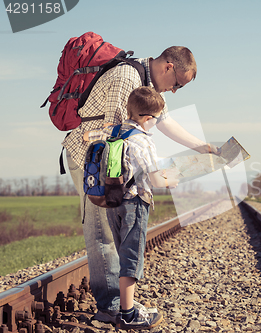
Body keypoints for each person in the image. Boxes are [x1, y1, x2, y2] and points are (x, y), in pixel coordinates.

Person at [63, 46, 216, 323]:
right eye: (178, 84)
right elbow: (112, 132)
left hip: (114, 164)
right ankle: (113, 307)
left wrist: (202, 147)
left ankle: (121, 303)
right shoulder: (127, 78)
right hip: (95, 161)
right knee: (103, 234)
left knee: (114, 232)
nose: (174, 91)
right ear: (169, 67)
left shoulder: (148, 86)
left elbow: (164, 122)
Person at [84, 86, 176, 330]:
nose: (155, 123)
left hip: (114, 201)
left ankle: (128, 305)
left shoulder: (115, 131)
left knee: (121, 250)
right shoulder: (143, 141)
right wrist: (173, 179)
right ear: (148, 118)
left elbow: (89, 137)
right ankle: (127, 313)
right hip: (135, 203)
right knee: (131, 256)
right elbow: (156, 180)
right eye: (155, 119)